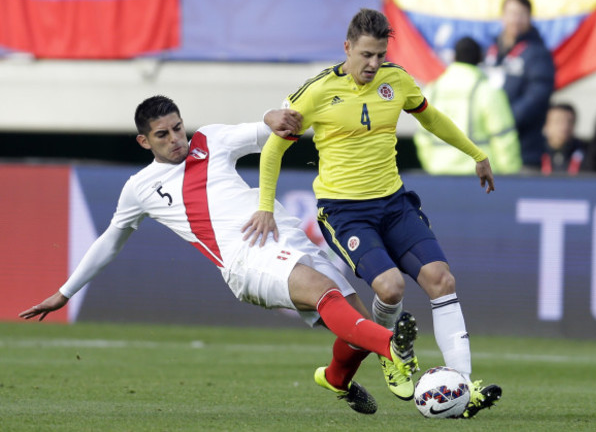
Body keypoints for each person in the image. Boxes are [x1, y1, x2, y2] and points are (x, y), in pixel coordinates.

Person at [18, 95, 421, 415]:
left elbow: (265, 131)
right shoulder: (140, 187)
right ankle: (395, 348)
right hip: (244, 260)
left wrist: (273, 116)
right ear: (144, 141)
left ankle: (336, 378)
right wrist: (65, 292)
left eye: (178, 128)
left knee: (354, 327)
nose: (176, 139)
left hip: (286, 238)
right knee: (326, 296)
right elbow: (110, 239)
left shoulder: (209, 140)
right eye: (163, 134)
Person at [243, 9, 501, 419]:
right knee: (391, 288)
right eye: (366, 54)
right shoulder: (317, 92)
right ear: (347, 48)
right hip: (345, 212)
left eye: (380, 54)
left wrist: (476, 154)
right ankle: (389, 352)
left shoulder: (396, 81)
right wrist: (264, 207)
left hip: (394, 204)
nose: (373, 64)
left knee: (441, 279)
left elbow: (430, 117)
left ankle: (464, 387)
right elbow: (274, 148)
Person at [414, 36, 521, 174]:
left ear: (453, 58)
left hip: (438, 172)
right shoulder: (488, 91)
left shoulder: (432, 91)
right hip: (479, 176)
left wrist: (431, 164)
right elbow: (503, 137)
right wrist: (510, 174)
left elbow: (423, 137)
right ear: (480, 59)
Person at [484, 0, 555, 172]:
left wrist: (503, 122)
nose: (516, 19)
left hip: (524, 151)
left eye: (521, 14)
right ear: (503, 17)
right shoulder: (491, 51)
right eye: (511, 13)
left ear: (530, 18)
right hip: (491, 152)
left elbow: (538, 96)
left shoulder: (538, 53)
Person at [541, 103, 586, 175]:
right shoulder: (535, 153)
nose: (564, 127)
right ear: (546, 125)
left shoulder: (586, 152)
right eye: (558, 122)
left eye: (569, 122)